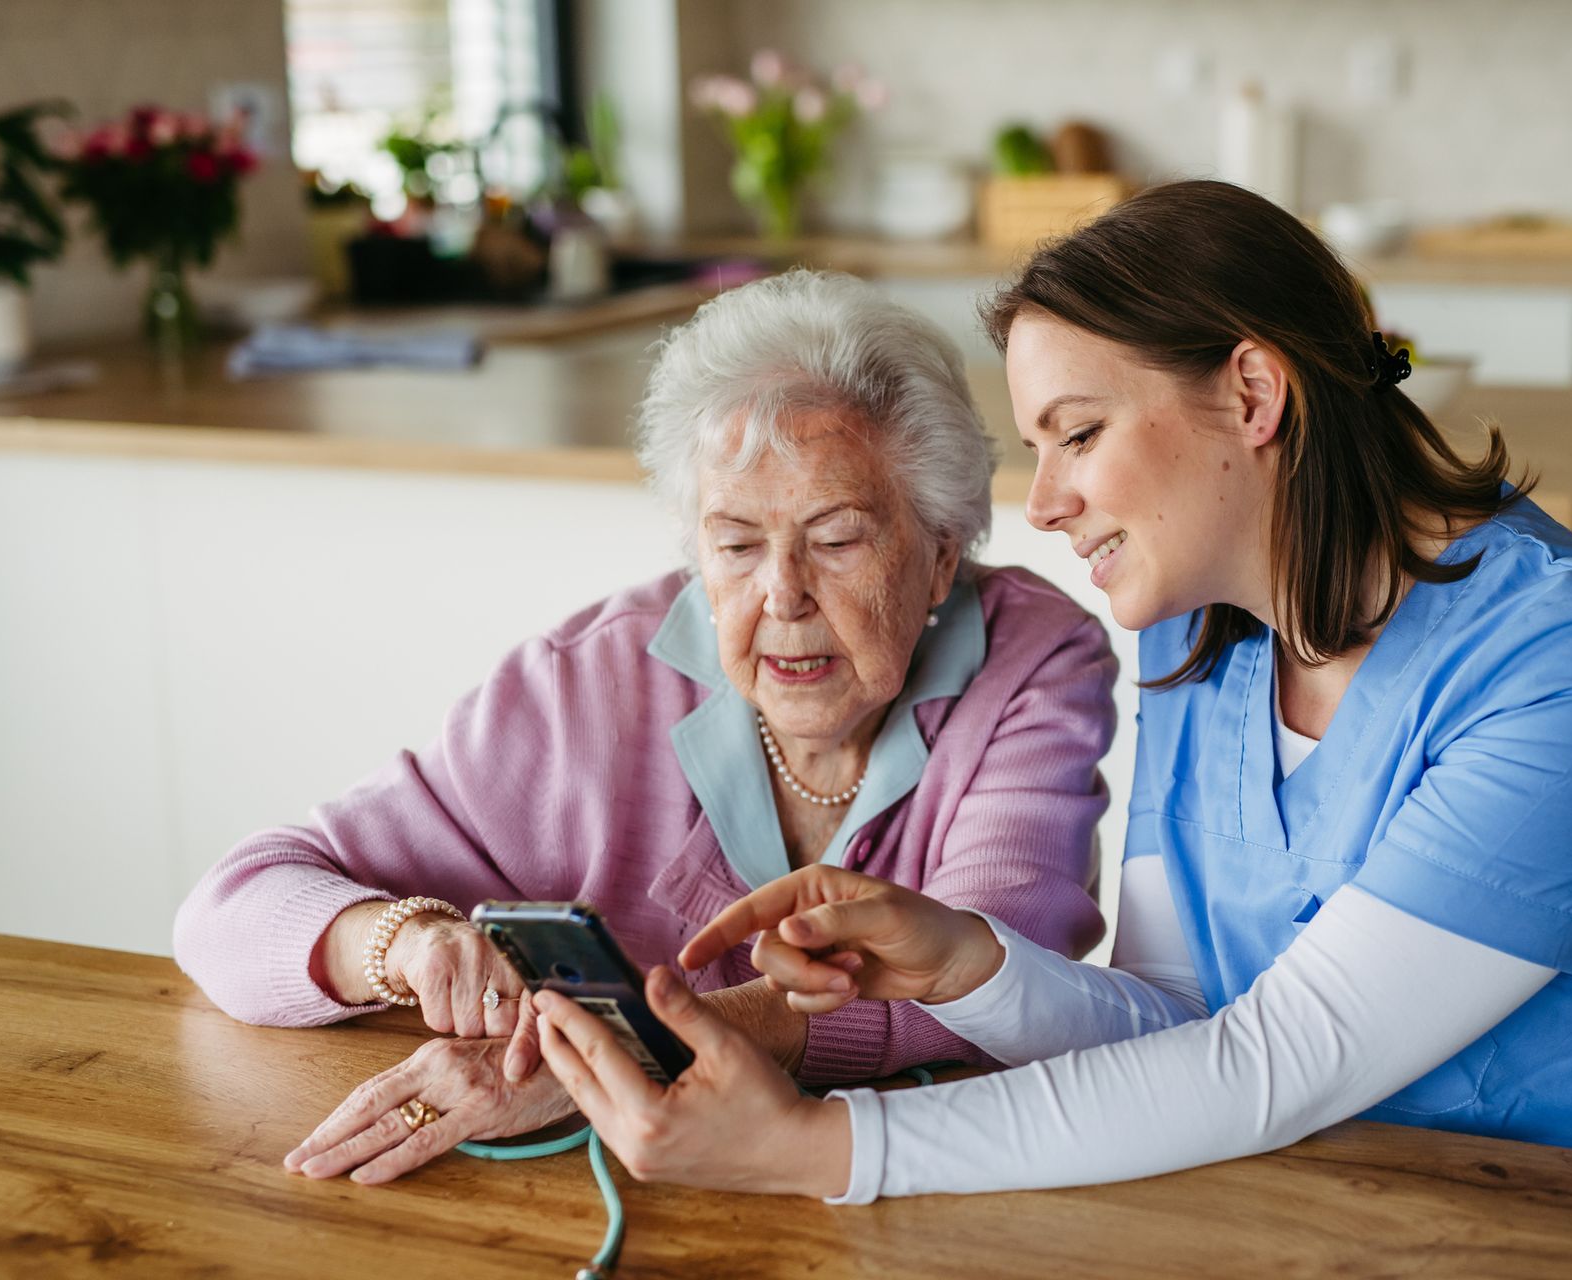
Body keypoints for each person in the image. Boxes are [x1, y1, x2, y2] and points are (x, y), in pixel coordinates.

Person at [524, 182, 1572, 1278]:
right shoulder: (1204, 641)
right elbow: (1174, 1024)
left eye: (1078, 433)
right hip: (1352, 1237)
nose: (1044, 502)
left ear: (1253, 395)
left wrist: (822, 1150)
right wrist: (969, 966)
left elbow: (1277, 1062)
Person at [171, 269, 1117, 1186]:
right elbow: (234, 909)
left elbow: (996, 980)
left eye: (836, 540)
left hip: (920, 1189)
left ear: (941, 553)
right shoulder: (586, 685)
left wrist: (620, 1051)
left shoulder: (1033, 661)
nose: (781, 595)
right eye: (735, 545)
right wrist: (408, 943)